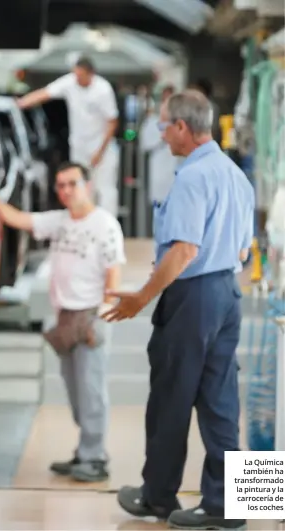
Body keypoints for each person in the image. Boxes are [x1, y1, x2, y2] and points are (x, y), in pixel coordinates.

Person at [102, 90, 254, 530]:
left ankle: (158, 498)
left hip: (193, 297)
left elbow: (185, 250)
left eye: (164, 125)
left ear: (183, 128)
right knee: (221, 402)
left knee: (171, 397)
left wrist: (141, 296)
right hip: (227, 292)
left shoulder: (192, 177)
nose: (162, 133)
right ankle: (228, 506)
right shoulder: (234, 174)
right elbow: (244, 246)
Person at [0, 161, 126, 482]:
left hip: (90, 316)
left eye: (72, 184)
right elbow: (17, 219)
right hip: (65, 317)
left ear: (87, 185)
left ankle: (95, 457)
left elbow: (114, 272)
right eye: (61, 185)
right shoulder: (59, 221)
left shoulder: (105, 225)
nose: (66, 191)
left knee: (92, 391)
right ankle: (85, 451)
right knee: (75, 391)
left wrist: (103, 314)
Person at [16, 56, 120, 217]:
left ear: (91, 74)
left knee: (104, 189)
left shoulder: (103, 89)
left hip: (101, 147)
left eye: (81, 76)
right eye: (76, 75)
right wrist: (21, 103)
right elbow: (45, 93)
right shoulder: (70, 82)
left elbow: (112, 122)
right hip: (79, 146)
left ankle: (109, 227)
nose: (77, 79)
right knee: (81, 187)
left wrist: (100, 152)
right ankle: (84, 224)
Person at [139, 84, 178, 209]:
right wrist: (162, 138)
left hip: (176, 170)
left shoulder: (182, 122)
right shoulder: (152, 121)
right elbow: (145, 144)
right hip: (158, 170)